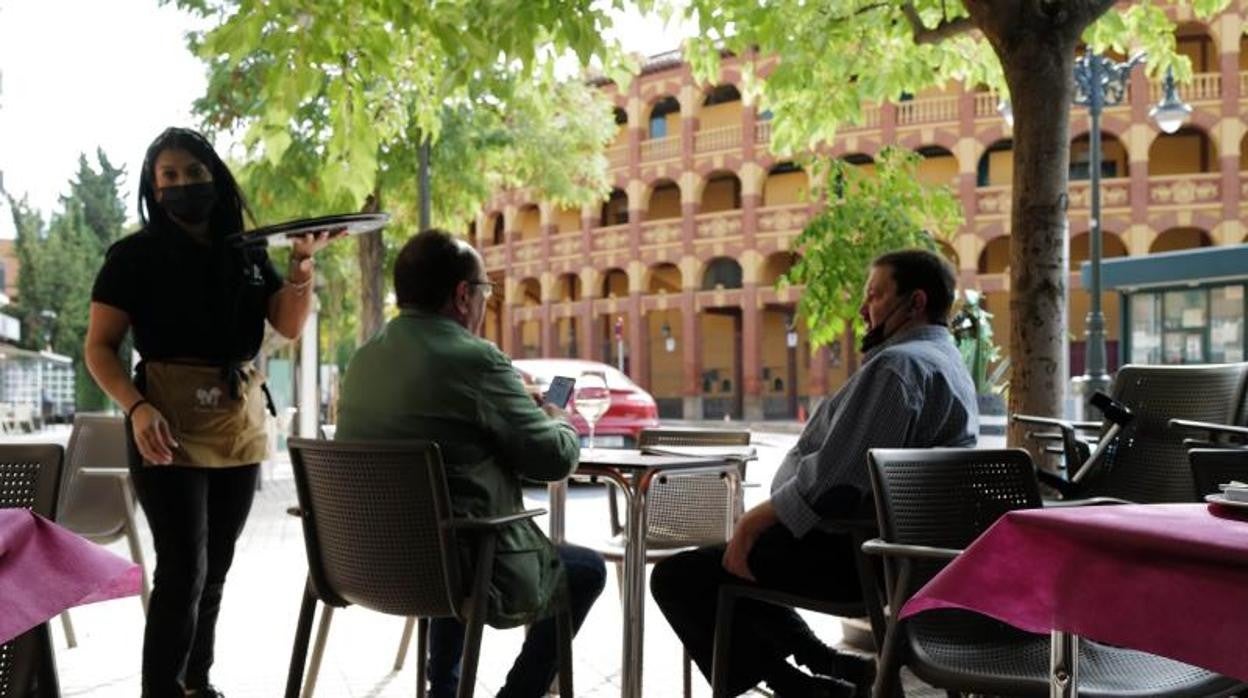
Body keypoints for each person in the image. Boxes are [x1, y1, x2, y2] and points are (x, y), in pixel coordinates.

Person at [651, 248, 978, 698]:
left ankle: (800, 689)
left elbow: (834, 485)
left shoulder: (898, 367)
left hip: (857, 558)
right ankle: (826, 663)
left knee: (679, 577)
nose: (864, 308)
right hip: (895, 559)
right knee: (735, 564)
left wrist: (753, 521)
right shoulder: (947, 363)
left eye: (875, 295)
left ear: (916, 302)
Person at [84, 127, 339, 698]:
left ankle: (197, 683)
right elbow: (99, 348)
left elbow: (289, 324)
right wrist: (137, 408)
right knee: (183, 569)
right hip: (164, 421)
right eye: (168, 176)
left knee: (216, 565)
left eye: (193, 173)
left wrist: (300, 265)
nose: (182, 185)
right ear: (153, 187)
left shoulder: (246, 251)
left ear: (214, 178)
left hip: (238, 417)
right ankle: (162, 690)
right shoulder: (132, 256)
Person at [335, 229, 606, 698]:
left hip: (365, 563)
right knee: (585, 570)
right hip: (460, 568)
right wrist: (557, 416)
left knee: (448, 528)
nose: (485, 301)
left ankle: (444, 687)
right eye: (484, 290)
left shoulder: (364, 360)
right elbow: (554, 459)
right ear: (463, 295)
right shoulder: (478, 360)